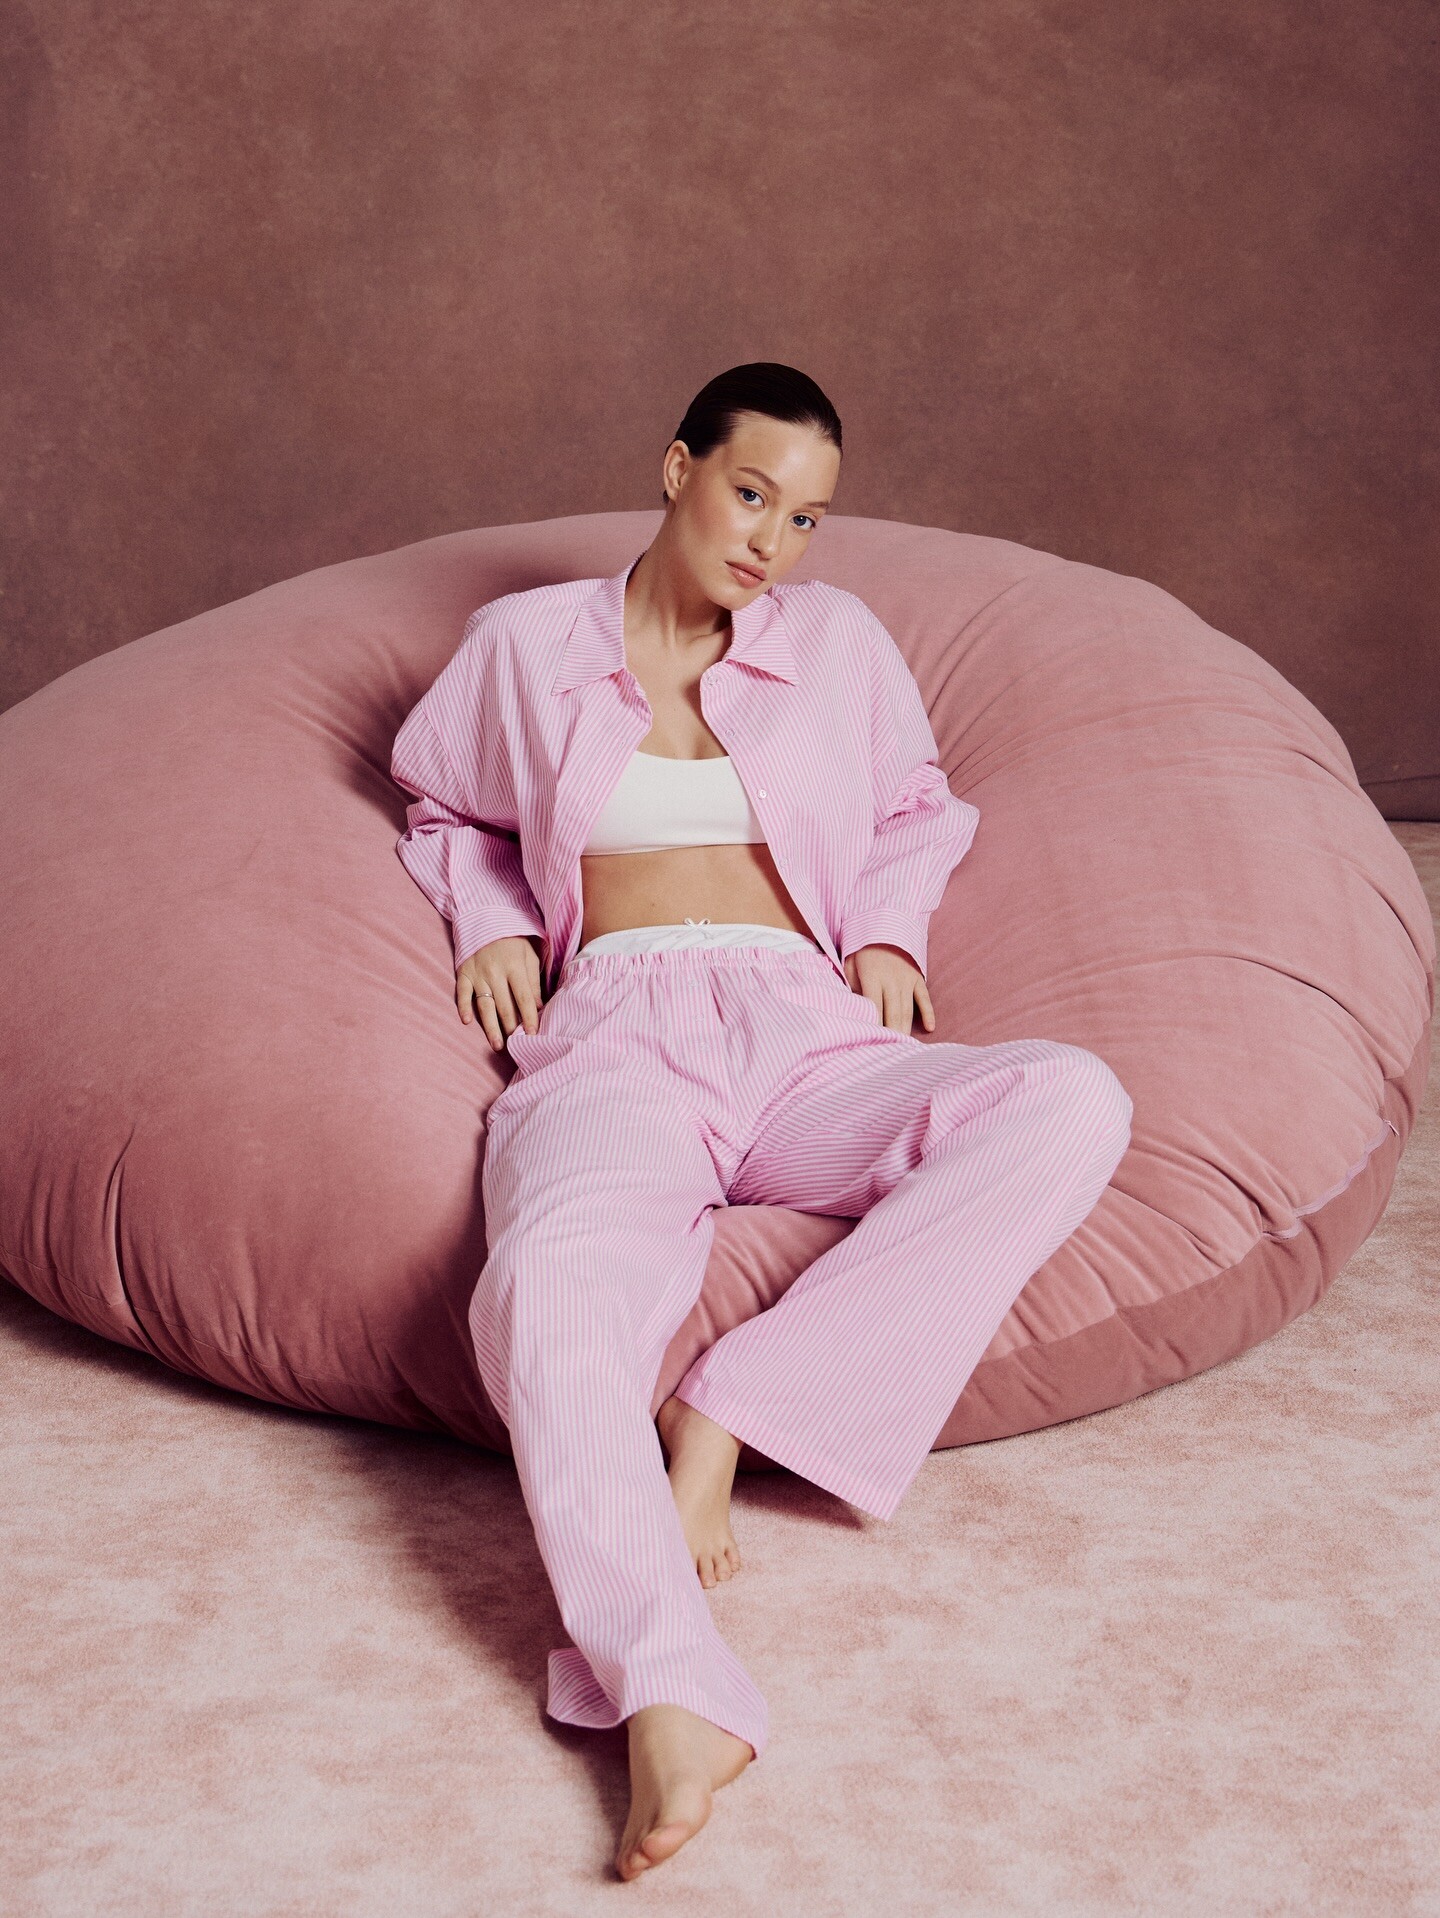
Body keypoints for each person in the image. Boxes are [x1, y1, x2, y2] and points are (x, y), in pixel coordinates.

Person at [390, 362, 1133, 1881]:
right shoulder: (524, 647)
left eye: (805, 518)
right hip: (615, 1037)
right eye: (750, 495)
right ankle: (669, 1688)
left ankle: (732, 1410)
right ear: (678, 469)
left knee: (1069, 1099)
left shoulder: (836, 643)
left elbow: (916, 806)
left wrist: (890, 933)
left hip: (804, 1027)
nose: (772, 543)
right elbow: (446, 806)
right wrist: (491, 920)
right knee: (544, 1291)